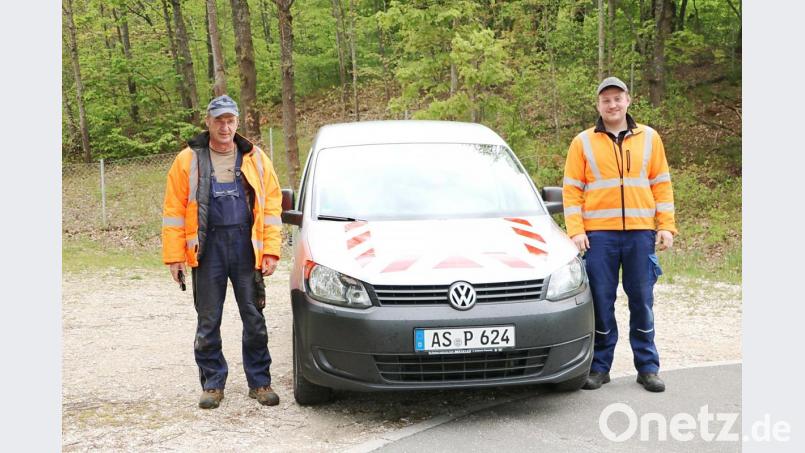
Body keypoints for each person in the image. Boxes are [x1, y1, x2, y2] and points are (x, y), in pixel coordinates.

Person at [161, 95, 284, 408]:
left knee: (254, 318)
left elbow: (271, 206)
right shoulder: (187, 160)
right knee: (208, 320)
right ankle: (213, 384)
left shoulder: (256, 158)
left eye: (230, 120)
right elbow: (174, 210)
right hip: (208, 249)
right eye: (219, 120)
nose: (225, 126)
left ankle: (260, 382)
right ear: (208, 122)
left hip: (246, 247)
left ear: (237, 123)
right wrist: (175, 256)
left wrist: (270, 249)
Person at [562, 77, 677, 393]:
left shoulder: (650, 138)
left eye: (617, 98)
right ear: (598, 105)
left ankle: (648, 367)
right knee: (601, 301)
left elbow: (661, 184)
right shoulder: (582, 142)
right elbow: (572, 191)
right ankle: (599, 367)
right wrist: (576, 231)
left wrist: (666, 225)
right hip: (599, 237)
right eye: (605, 100)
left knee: (642, 300)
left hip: (640, 234)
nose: (612, 105)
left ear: (628, 100)